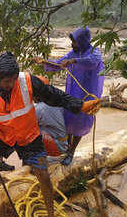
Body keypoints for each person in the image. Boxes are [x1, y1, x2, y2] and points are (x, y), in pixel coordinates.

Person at [0, 52, 101, 217]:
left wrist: (79, 106)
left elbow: (55, 96)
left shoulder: (28, 80)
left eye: (13, 79)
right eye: (6, 81)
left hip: (29, 135)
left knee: (43, 175)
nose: (10, 84)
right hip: (1, 135)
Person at [33, 26, 105, 166]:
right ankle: (68, 150)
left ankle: (71, 152)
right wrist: (44, 62)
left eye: (75, 42)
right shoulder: (73, 53)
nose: (73, 45)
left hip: (87, 95)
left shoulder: (94, 52)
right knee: (70, 121)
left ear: (83, 41)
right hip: (72, 92)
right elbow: (59, 64)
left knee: (80, 123)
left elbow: (92, 61)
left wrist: (74, 61)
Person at [34, 76, 68, 157]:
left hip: (57, 147)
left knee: (30, 134)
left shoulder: (39, 109)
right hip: (64, 143)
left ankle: (34, 161)